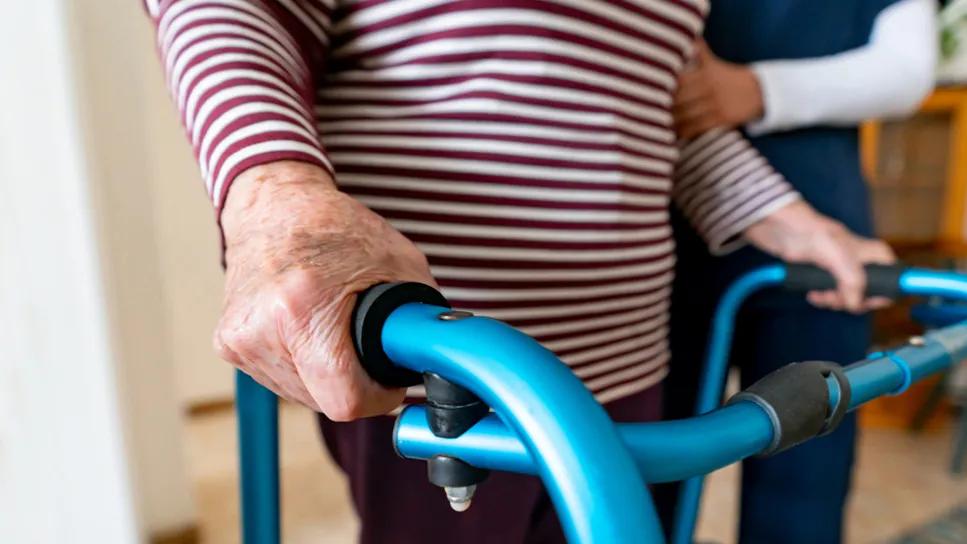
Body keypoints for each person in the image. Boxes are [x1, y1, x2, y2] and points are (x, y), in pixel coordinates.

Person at [143, 1, 894, 542]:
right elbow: (233, 11)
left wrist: (799, 225)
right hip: (451, 376)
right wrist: (275, 198)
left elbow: (651, 113)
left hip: (629, 358)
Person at [659, 0, 937, 542]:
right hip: (662, 237)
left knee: (806, 476)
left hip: (825, 245)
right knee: (651, 465)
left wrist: (755, 90)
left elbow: (907, 69)